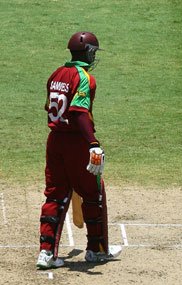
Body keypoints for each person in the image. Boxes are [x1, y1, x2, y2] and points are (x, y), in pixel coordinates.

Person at [37, 31, 121, 269]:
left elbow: (51, 107)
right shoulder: (84, 77)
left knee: (55, 195)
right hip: (76, 143)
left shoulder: (56, 75)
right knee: (94, 194)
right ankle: (96, 250)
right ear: (89, 52)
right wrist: (93, 143)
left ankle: (46, 254)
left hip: (55, 141)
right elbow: (78, 112)